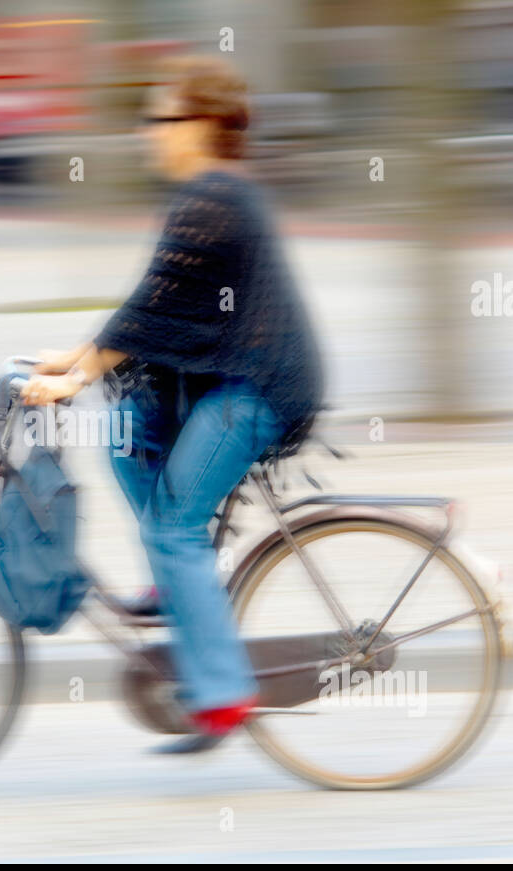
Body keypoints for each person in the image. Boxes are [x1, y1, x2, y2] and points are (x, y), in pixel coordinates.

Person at [21, 57, 324, 753]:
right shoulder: (204, 193)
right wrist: (76, 358)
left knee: (173, 526)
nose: (148, 131)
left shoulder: (213, 195)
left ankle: (222, 697)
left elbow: (156, 308)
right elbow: (156, 305)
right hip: (234, 375)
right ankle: (176, 582)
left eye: (163, 118)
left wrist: (75, 377)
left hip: (261, 387)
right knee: (127, 432)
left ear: (206, 124)